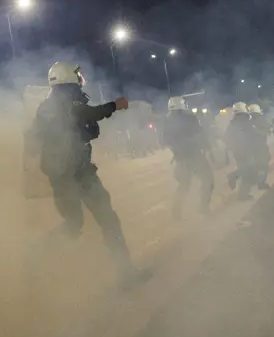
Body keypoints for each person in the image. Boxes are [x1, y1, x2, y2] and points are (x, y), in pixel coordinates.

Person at [30, 61, 149, 288]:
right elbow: (91, 113)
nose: (81, 78)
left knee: (73, 224)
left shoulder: (45, 106)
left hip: (60, 176)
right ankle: (126, 274)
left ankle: (35, 255)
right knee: (109, 221)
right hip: (80, 173)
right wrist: (116, 105)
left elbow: (37, 138)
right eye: (77, 75)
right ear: (68, 78)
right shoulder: (69, 103)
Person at [163, 96, 214, 219]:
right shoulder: (190, 118)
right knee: (208, 180)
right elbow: (200, 133)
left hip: (180, 158)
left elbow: (166, 141)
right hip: (195, 156)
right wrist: (207, 145)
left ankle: (176, 212)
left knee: (184, 185)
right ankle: (203, 206)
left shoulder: (166, 121)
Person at [225, 102, 259, 200]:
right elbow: (253, 135)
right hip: (246, 150)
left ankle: (234, 177)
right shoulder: (246, 121)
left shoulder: (232, 123)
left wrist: (232, 146)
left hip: (238, 151)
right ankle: (242, 194)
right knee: (248, 173)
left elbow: (226, 137)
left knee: (246, 170)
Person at [248, 103, 273, 190]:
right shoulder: (260, 119)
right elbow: (268, 127)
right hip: (260, 146)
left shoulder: (248, 120)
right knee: (263, 164)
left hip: (251, 147)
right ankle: (261, 183)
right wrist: (270, 129)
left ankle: (255, 181)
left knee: (256, 165)